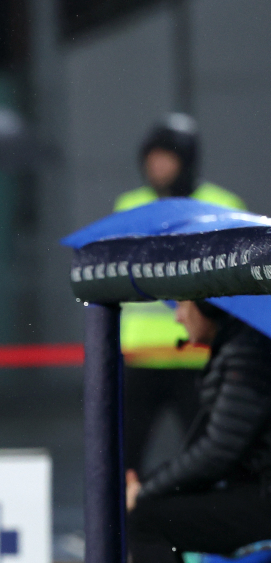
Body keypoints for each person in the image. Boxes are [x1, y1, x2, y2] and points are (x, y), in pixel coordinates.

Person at [126, 299, 271, 563]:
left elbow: (218, 452)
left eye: (185, 305)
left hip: (263, 501)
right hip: (258, 493)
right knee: (153, 513)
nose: (175, 315)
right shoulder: (242, 345)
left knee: (147, 519)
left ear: (212, 308)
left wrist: (149, 489)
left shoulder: (249, 351)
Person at [114, 115, 246, 473]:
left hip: (199, 355)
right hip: (140, 355)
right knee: (125, 455)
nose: (157, 167)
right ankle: (123, 524)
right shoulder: (129, 206)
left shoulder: (222, 205)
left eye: (167, 158)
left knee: (209, 455)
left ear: (186, 161)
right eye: (151, 158)